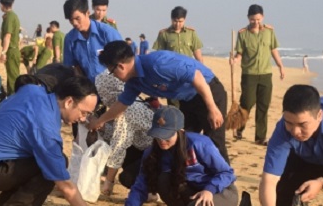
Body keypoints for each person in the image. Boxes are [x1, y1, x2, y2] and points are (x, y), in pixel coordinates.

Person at [0, 75, 119, 206]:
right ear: (68, 102)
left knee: (48, 159)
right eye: (83, 112)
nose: (83, 119)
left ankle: (3, 204)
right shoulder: (46, 127)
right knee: (55, 163)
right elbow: (65, 185)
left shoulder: (34, 91)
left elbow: (28, 81)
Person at [89, 40, 230, 165]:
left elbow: (197, 77)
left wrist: (212, 108)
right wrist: (100, 121)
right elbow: (121, 104)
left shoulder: (158, 63)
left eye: (112, 72)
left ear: (120, 66)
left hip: (208, 91)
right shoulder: (133, 82)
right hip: (187, 100)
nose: (114, 76)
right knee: (183, 141)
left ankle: (226, 187)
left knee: (214, 141)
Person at [113, 106, 237, 206]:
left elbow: (227, 173)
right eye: (158, 135)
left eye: (166, 136)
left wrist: (209, 190)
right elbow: (141, 184)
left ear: (180, 131)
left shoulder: (199, 144)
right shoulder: (152, 152)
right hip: (192, 191)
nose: (162, 141)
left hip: (221, 192)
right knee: (163, 179)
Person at [231, 4, 285, 145]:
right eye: (253, 19)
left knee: (263, 105)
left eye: (258, 19)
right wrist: (235, 60)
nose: (256, 22)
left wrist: (280, 66)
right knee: (247, 103)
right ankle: (239, 128)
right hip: (249, 74)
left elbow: (273, 50)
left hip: (266, 74)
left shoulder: (269, 32)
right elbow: (240, 53)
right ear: (248, 18)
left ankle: (260, 137)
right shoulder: (243, 34)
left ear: (263, 17)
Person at [94, 69, 154, 195]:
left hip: (156, 153)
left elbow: (119, 146)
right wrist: (103, 127)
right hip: (148, 147)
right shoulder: (134, 99)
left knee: (126, 177)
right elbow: (121, 133)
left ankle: (151, 190)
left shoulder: (125, 110)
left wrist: (109, 182)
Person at [62, 0, 122, 83]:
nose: (74, 23)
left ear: (87, 13)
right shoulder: (70, 39)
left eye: (77, 18)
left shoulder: (107, 33)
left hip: (112, 85)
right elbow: (71, 66)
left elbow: (123, 60)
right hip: (88, 88)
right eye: (71, 20)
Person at [0, 0, 21, 94]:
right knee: (12, 77)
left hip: (11, 50)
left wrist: (3, 52)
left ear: (2, 5)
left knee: (13, 80)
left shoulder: (10, 17)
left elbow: (7, 36)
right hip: (14, 49)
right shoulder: (12, 16)